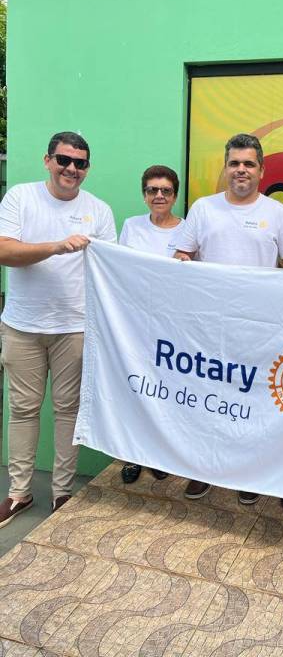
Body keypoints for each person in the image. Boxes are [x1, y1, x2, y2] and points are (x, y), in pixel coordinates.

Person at [174, 133, 283, 505]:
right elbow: (182, 257)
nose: (240, 170)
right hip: (208, 329)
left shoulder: (278, 214)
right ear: (226, 168)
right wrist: (182, 262)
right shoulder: (203, 209)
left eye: (248, 163)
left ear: (261, 170)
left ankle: (249, 473)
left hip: (258, 329)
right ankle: (203, 470)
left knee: (253, 402)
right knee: (207, 399)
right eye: (234, 163)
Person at [0, 131, 116, 527]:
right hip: (21, 325)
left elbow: (110, 269)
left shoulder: (99, 210)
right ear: (47, 160)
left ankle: (62, 492)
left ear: (87, 168)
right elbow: (4, 251)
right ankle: (19, 492)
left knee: (68, 410)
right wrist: (56, 246)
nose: (71, 169)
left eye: (79, 163)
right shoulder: (20, 197)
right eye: (63, 160)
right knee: (23, 410)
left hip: (75, 328)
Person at [118, 165, 183, 484]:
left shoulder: (187, 230)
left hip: (172, 326)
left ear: (175, 195)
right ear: (144, 194)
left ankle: (158, 454)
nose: (159, 195)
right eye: (152, 190)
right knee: (135, 388)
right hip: (135, 323)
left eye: (166, 190)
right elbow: (119, 269)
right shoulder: (131, 226)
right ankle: (132, 455)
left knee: (165, 390)